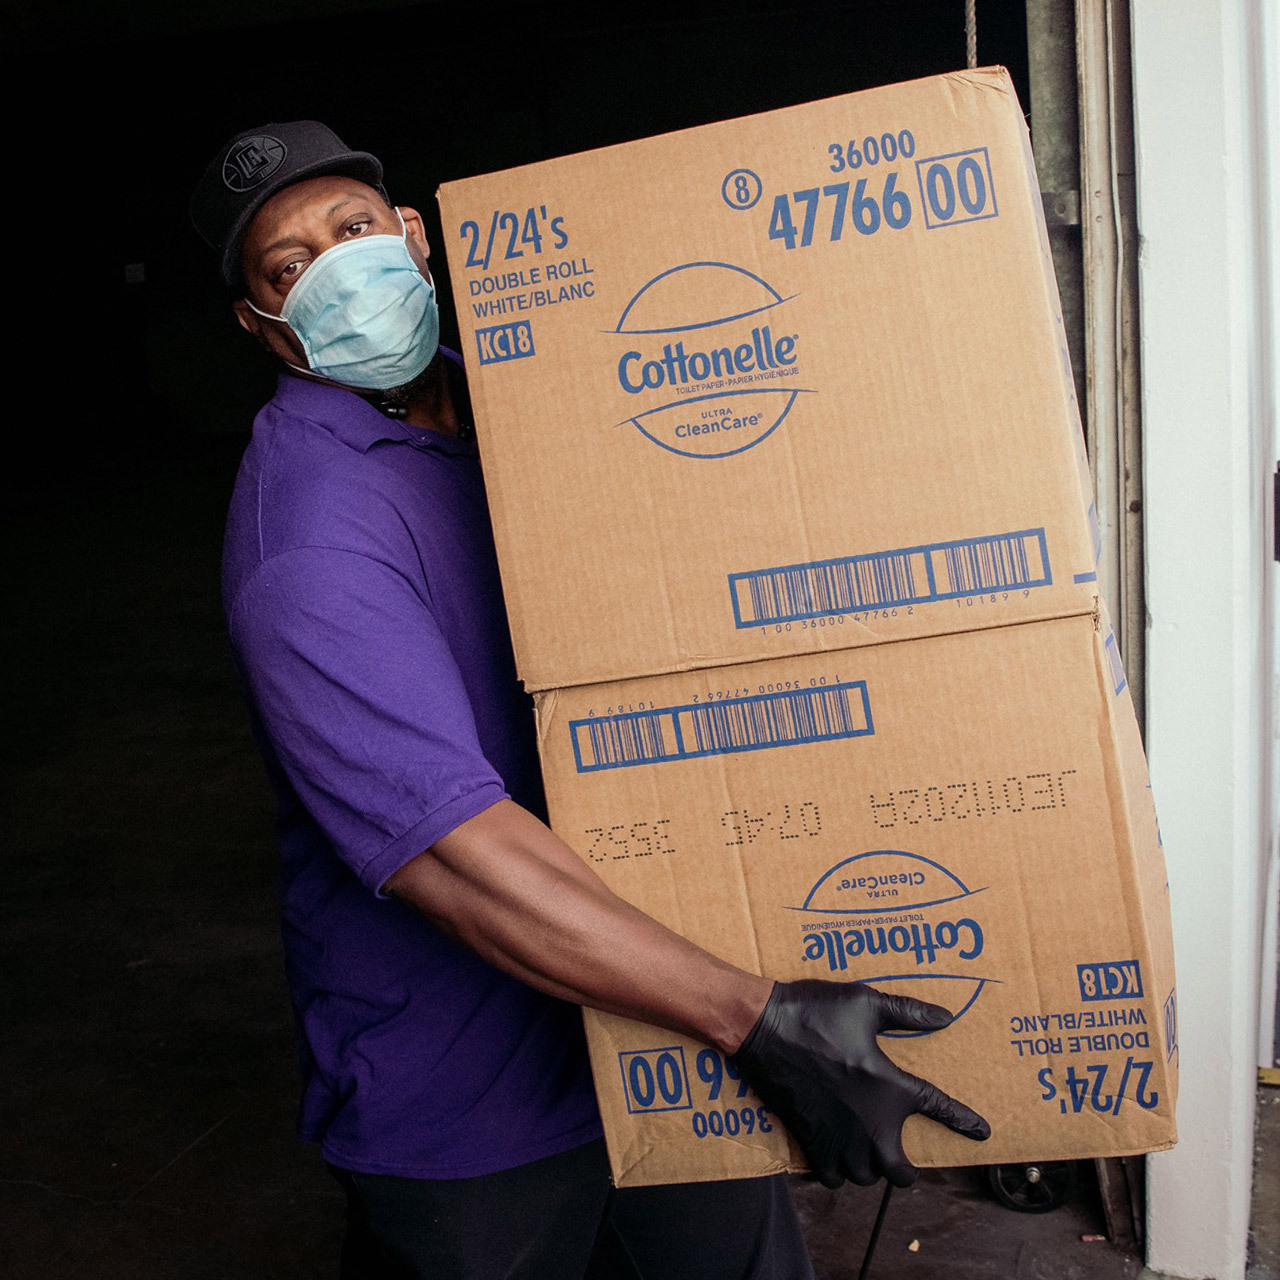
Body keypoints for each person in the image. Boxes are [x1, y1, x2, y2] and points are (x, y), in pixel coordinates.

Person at [190, 120, 990, 1280]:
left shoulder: (531, 408)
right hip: (473, 1102)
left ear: (412, 237)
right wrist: (754, 1015)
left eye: (350, 230)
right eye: (289, 266)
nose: (334, 270)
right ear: (262, 325)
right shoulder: (308, 543)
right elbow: (450, 852)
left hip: (659, 1023)